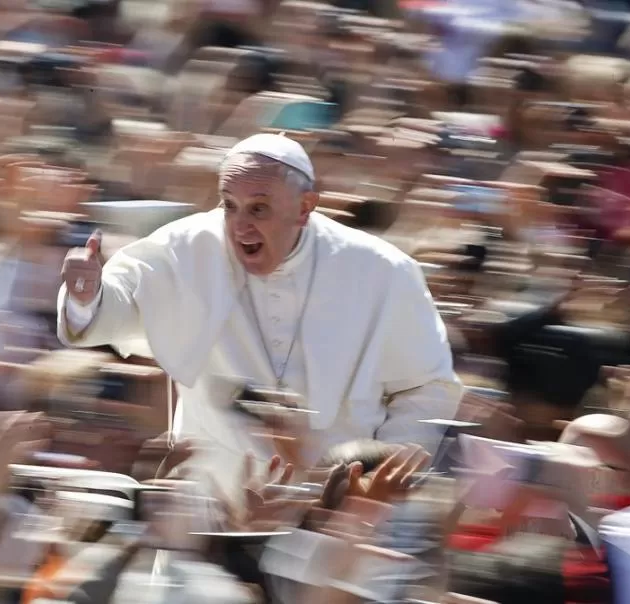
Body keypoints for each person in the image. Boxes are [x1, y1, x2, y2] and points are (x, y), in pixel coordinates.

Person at [57, 132, 462, 496]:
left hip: (334, 501)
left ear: (305, 207)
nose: (240, 226)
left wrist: (380, 474)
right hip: (210, 498)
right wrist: (86, 295)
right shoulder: (187, 246)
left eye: (259, 209)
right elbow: (118, 300)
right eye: (229, 206)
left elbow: (427, 388)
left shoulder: (382, 270)